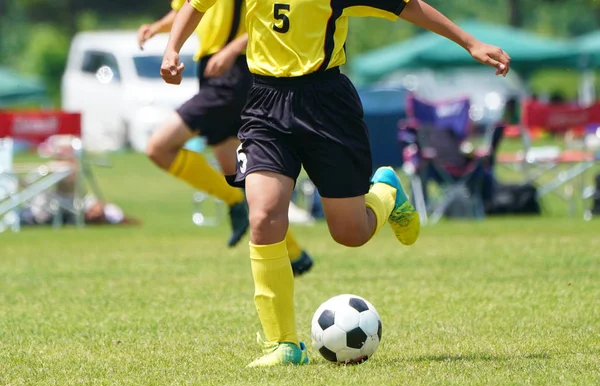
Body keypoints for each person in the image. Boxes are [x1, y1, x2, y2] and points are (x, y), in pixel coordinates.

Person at [161, 0, 511, 367]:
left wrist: (471, 43)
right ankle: (282, 345)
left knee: (350, 232)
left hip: (326, 106)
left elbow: (406, 6)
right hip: (265, 103)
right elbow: (194, 5)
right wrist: (172, 49)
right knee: (263, 216)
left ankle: (386, 191)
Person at [137, 0, 314, 275]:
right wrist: (157, 28)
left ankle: (233, 202)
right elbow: (187, 10)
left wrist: (233, 48)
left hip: (235, 72)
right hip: (213, 71)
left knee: (159, 147)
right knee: (239, 174)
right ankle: (293, 253)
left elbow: (267, 19)